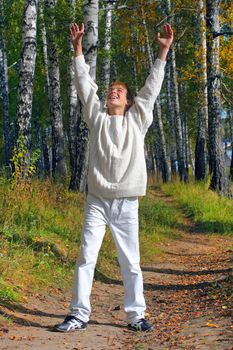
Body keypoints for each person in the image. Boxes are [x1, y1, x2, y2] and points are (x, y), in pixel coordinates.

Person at [54, 22, 173, 333]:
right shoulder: (97, 118)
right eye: (110, 91)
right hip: (97, 199)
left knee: (130, 263)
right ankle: (78, 314)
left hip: (126, 202)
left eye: (119, 91)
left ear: (129, 101)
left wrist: (163, 50)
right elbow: (83, 84)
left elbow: (152, 87)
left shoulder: (138, 120)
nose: (112, 92)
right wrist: (77, 48)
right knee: (86, 258)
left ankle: (136, 316)